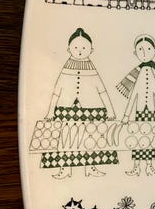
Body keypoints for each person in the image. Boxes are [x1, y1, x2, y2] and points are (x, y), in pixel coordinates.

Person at [42, 27, 118, 178]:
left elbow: (102, 90)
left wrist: (110, 110)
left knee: (91, 139)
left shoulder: (92, 69)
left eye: (84, 48)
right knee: (65, 138)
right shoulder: (66, 69)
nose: (80, 51)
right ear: (69, 49)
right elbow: (57, 91)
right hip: (67, 109)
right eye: (76, 47)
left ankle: (91, 168)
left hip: (91, 109)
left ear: (91, 50)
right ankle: (65, 169)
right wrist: (50, 111)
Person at [117, 35, 155, 176]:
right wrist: (126, 116)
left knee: (150, 139)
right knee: (137, 138)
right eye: (141, 49)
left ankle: (149, 166)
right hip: (139, 112)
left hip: (151, 112)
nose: (145, 52)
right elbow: (133, 95)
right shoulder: (138, 73)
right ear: (135, 53)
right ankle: (136, 167)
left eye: (148, 49)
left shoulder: (153, 72)